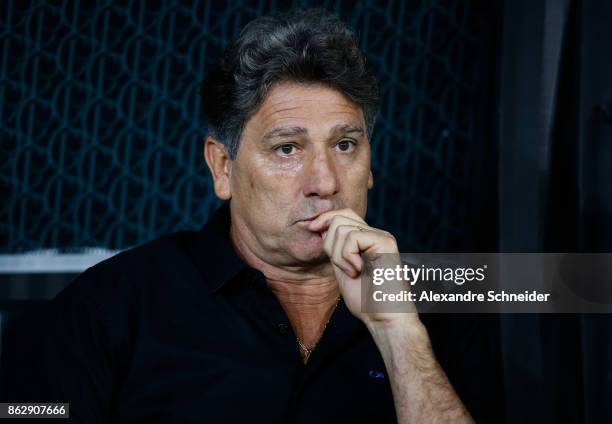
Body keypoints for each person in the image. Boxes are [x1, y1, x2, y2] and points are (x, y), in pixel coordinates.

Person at [1, 8, 502, 423]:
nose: (325, 182)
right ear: (223, 167)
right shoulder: (113, 304)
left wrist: (397, 333)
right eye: (287, 149)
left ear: (370, 165)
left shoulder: (442, 305)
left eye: (345, 145)